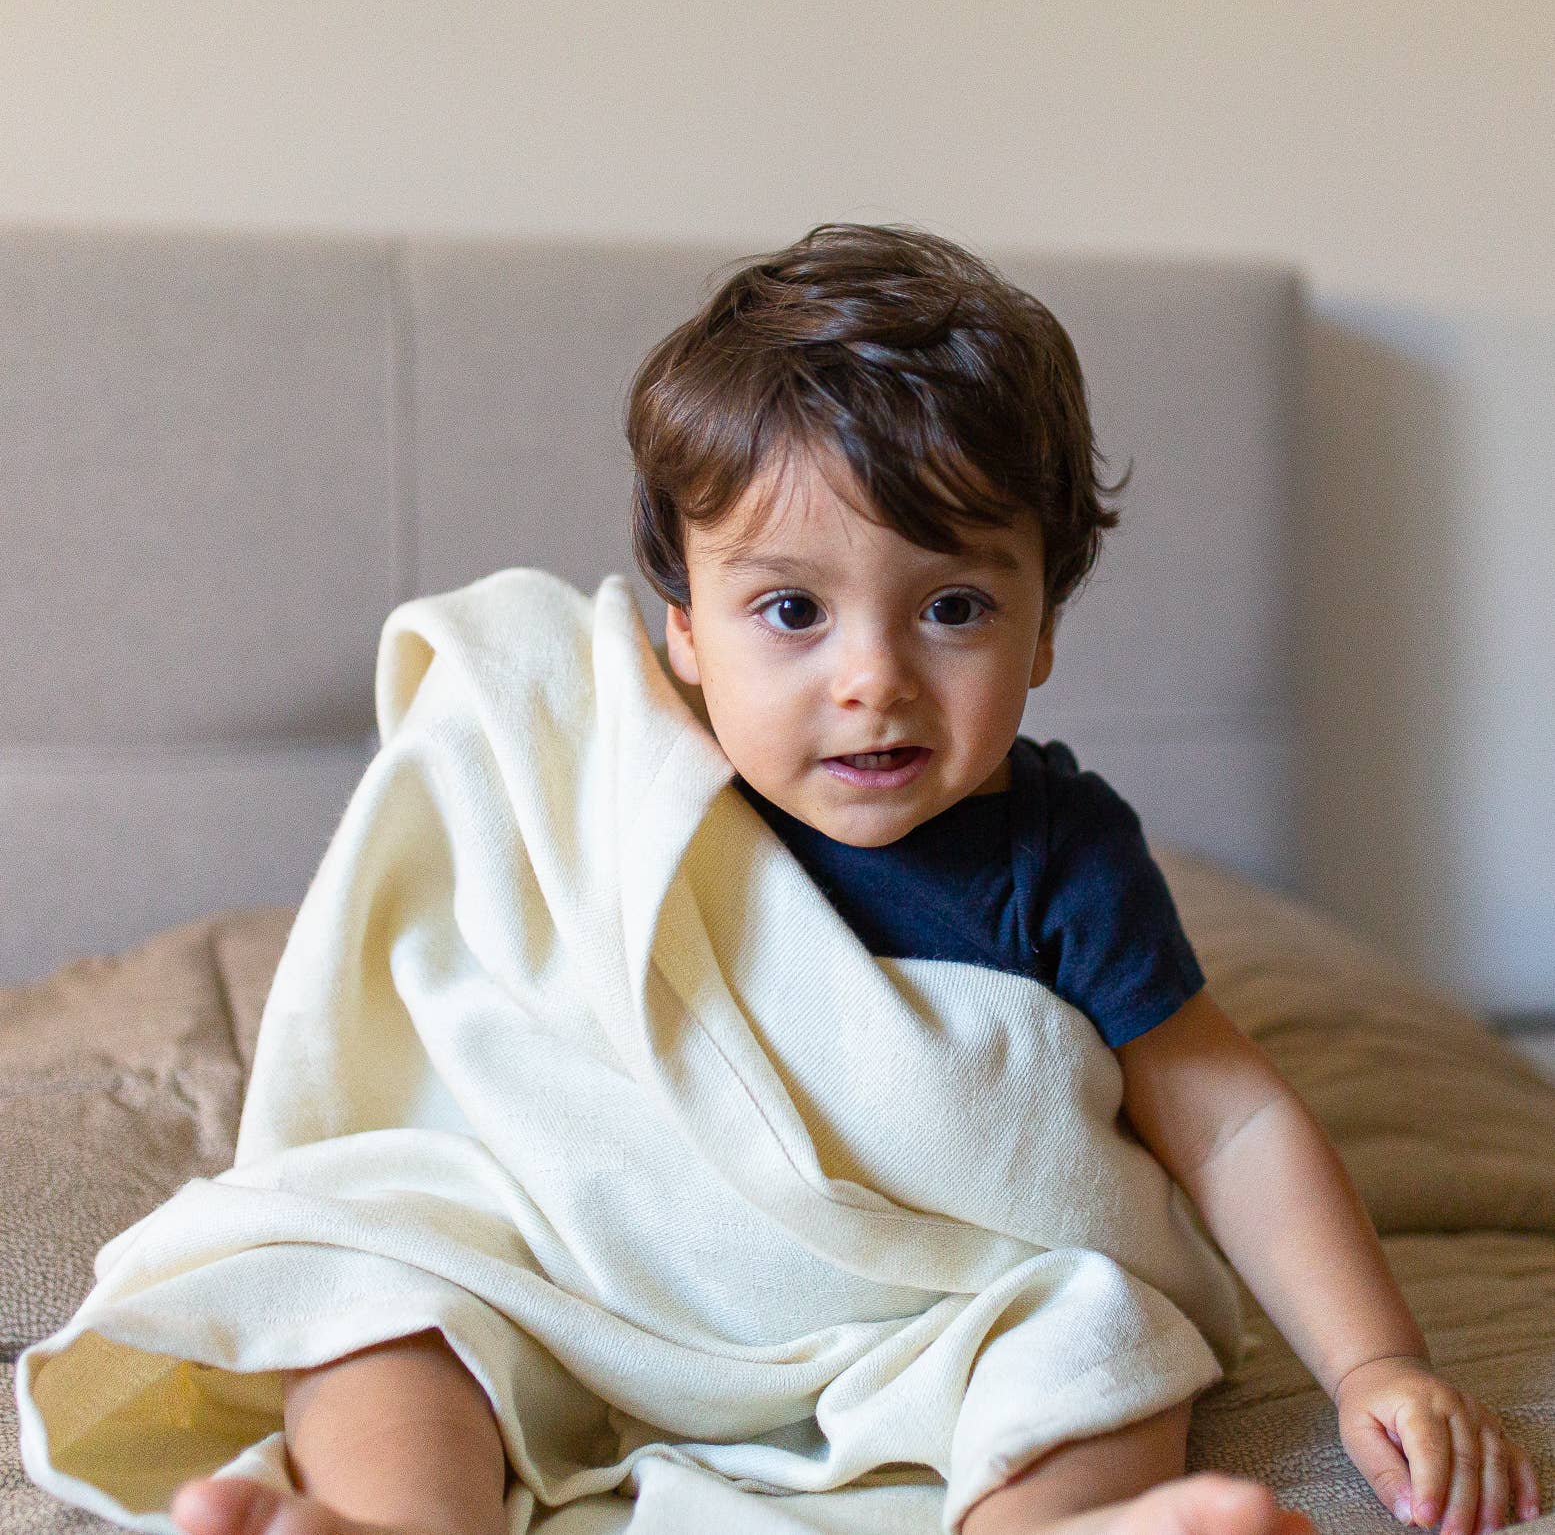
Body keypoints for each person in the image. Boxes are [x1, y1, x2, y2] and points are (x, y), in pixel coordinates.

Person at [167, 223, 1540, 1535]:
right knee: (381, 1284)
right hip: (601, 1287)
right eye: (792, 611)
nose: (873, 677)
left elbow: (1229, 1126)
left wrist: (1375, 1362)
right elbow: (489, 1024)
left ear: (1043, 629)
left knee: (1103, 1335)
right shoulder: (618, 794)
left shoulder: (1060, 861)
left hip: (934, 1321)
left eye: (953, 607)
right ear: (685, 633)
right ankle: (403, 1515)